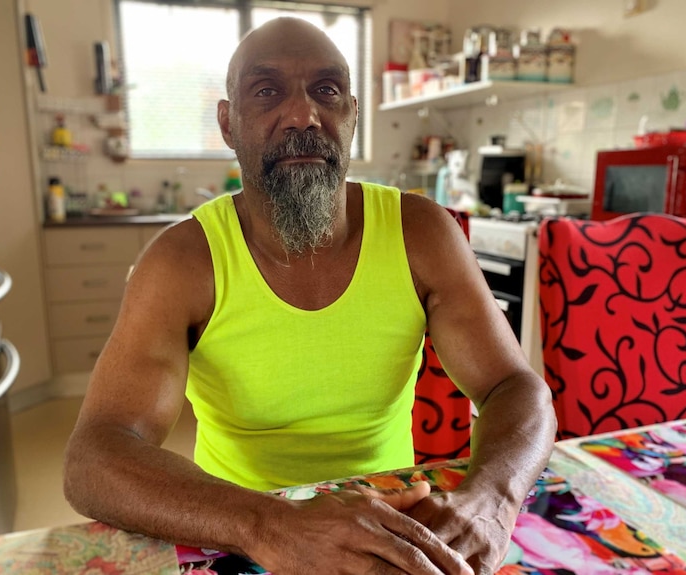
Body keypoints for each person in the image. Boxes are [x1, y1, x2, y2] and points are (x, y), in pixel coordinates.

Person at [63, 17, 556, 575]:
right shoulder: (183, 262)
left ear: (352, 115)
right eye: (267, 91)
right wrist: (270, 525)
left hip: (393, 528)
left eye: (326, 90)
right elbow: (96, 456)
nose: (303, 114)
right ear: (229, 122)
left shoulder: (421, 233)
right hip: (237, 531)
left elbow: (516, 387)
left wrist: (492, 499)